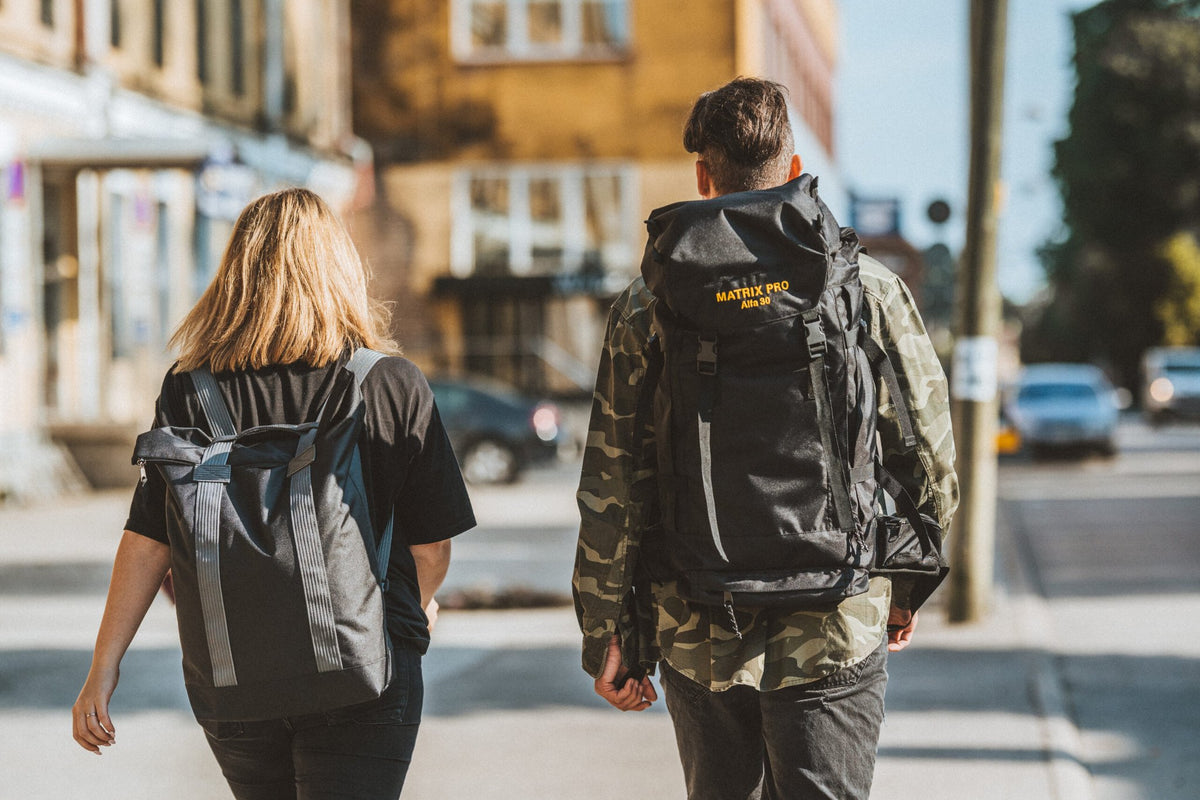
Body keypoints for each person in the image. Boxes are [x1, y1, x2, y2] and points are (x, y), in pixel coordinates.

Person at [573, 77, 959, 800]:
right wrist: (907, 582)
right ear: (791, 168)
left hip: (697, 625)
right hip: (837, 617)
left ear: (702, 175)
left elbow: (612, 482)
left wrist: (608, 630)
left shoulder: (646, 304)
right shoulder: (863, 287)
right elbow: (930, 453)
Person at [72, 188, 476, 799]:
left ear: (236, 272)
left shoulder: (189, 388)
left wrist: (104, 667)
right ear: (340, 268)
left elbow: (149, 539)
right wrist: (413, 610)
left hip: (235, 680)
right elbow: (430, 547)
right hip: (364, 673)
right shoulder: (389, 384)